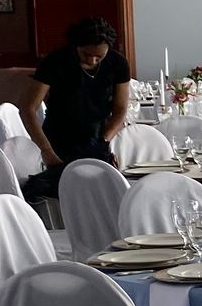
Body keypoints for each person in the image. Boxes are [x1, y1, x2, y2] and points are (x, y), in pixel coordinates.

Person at [19, 16, 131, 201]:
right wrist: (46, 151)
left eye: (99, 57)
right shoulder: (56, 61)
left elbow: (120, 109)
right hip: (59, 137)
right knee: (63, 193)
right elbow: (28, 108)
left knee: (102, 194)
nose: (93, 60)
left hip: (98, 135)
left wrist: (103, 142)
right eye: (87, 54)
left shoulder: (117, 63)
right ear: (76, 46)